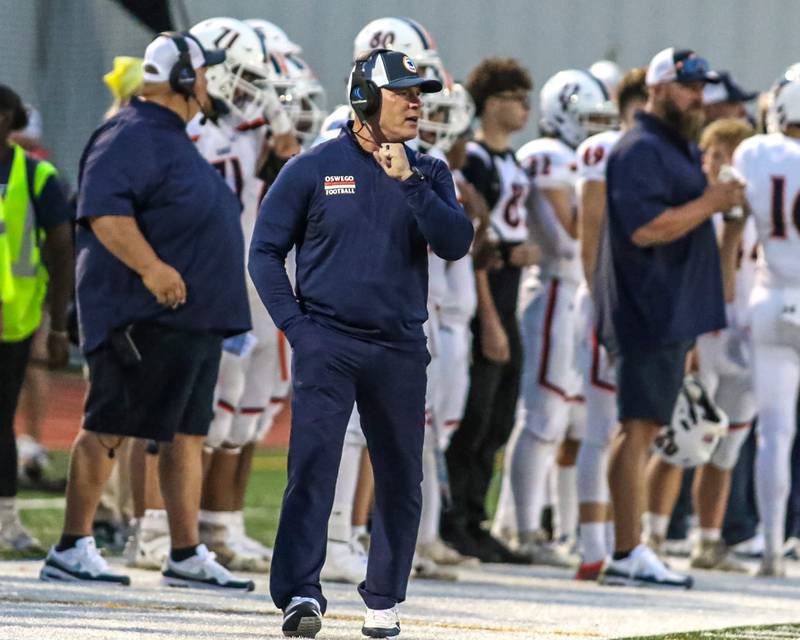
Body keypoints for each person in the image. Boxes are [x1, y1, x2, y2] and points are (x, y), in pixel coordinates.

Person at [249, 47, 472, 639]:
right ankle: (300, 593)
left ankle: (383, 600)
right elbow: (264, 251)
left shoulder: (430, 171)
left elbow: (455, 242)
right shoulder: (313, 167)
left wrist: (413, 185)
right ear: (365, 99)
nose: (416, 102)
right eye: (403, 92)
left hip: (400, 347)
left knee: (401, 478)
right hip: (330, 341)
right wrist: (298, 330)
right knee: (314, 466)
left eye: (419, 92)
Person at [39, 32, 254, 592]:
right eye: (204, 72)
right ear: (184, 77)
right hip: (143, 313)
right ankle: (72, 545)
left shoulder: (171, 136)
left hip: (189, 318)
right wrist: (154, 269)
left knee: (186, 435)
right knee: (108, 425)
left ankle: (185, 552)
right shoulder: (129, 132)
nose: (209, 82)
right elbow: (106, 214)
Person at [596, 47, 743, 587]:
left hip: (667, 308)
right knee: (636, 428)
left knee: (647, 426)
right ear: (657, 87)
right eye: (688, 86)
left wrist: (711, 195)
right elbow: (645, 228)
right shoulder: (640, 149)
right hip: (647, 307)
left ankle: (630, 546)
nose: (699, 97)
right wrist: (711, 200)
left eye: (702, 87)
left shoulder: (671, 146)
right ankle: (626, 550)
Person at [494, 68, 617, 567]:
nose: (592, 130)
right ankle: (525, 531)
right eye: (585, 118)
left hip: (571, 292)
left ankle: (536, 527)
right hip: (552, 288)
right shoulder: (548, 157)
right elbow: (569, 238)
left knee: (562, 417)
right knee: (542, 416)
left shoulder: (570, 160)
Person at [641, 118, 755, 573]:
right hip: (703, 329)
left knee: (727, 444)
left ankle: (709, 540)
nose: (725, 166)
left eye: (734, 156)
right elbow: (720, 283)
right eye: (717, 155)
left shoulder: (760, 203)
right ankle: (652, 533)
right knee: (681, 437)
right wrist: (726, 221)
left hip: (746, 332)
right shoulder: (694, 204)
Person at [441, 57, 536, 564]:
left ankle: (474, 515)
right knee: (473, 414)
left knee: (497, 416)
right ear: (492, 102)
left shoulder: (511, 160)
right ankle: (454, 519)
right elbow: (475, 243)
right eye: (517, 98)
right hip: (481, 295)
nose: (525, 108)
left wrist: (524, 249)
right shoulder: (473, 158)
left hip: (507, 289)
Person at [572, 67, 648, 580]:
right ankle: (592, 546)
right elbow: (591, 231)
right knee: (601, 427)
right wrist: (603, 298)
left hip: (640, 302)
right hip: (608, 297)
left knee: (628, 426)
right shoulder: (605, 149)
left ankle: (620, 539)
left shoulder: (656, 153)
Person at [0, 84, 72, 551]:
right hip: (17, 316)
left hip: (16, 320)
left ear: (8, 118)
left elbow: (62, 250)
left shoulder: (37, 174)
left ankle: (6, 518)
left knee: (2, 419)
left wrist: (59, 325)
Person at [734, 77, 800, 576]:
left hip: (769, 294)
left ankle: (773, 549)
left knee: (772, 434)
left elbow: (738, 218)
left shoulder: (755, 152)